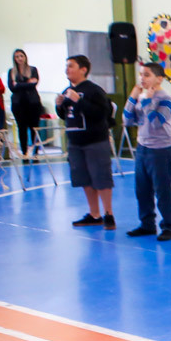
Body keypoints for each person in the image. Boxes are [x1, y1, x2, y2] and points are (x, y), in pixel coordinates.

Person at [56, 55, 116, 229]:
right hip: (75, 142)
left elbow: (101, 113)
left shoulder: (94, 90)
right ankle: (94, 213)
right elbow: (66, 115)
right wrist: (59, 106)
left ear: (83, 69)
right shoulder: (67, 90)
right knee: (85, 179)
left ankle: (108, 213)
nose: (67, 69)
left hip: (95, 141)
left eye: (71, 66)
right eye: (66, 66)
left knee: (101, 178)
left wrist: (79, 101)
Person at [122, 61, 171, 241]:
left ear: (159, 78)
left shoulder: (166, 99)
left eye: (147, 75)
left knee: (162, 189)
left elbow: (156, 122)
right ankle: (147, 224)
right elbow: (127, 120)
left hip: (160, 149)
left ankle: (168, 226)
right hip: (142, 148)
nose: (142, 78)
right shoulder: (141, 96)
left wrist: (147, 101)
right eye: (141, 75)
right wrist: (133, 97)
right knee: (142, 189)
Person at [8, 50, 43, 158]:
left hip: (33, 103)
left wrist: (18, 84)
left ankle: (35, 151)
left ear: (25, 57)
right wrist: (27, 82)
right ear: (14, 59)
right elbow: (12, 87)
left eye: (21, 56)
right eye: (17, 56)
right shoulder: (11, 71)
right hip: (18, 104)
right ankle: (24, 152)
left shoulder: (33, 69)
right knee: (22, 128)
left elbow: (33, 84)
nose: (19, 58)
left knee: (34, 127)